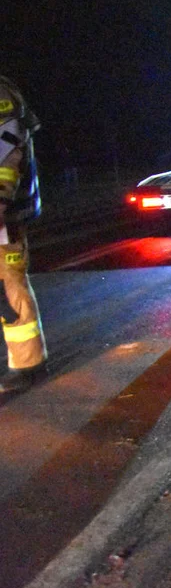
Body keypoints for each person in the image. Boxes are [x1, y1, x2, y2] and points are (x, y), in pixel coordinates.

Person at [0, 76, 47, 394]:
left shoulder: (2, 95)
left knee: (9, 287)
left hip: (7, 216)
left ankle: (28, 364)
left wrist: (1, 199)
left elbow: (7, 151)